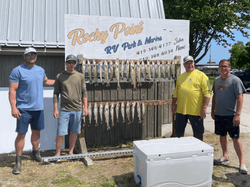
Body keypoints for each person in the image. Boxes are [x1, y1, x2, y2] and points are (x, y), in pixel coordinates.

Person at [9, 47, 55, 174]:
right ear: (24, 56)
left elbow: (46, 81)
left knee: (36, 133)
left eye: (34, 54)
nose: (31, 56)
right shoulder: (17, 70)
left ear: (37, 56)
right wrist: (13, 107)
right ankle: (18, 162)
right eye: (29, 54)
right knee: (21, 134)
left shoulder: (40, 70)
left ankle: (36, 154)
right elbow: (12, 90)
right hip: (23, 110)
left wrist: (62, 81)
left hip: (38, 109)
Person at [211, 59, 247, 174]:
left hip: (231, 115)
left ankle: (242, 163)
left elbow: (240, 97)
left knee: (235, 138)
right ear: (219, 68)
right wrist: (212, 110)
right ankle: (225, 156)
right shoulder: (216, 81)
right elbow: (215, 96)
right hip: (219, 114)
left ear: (230, 67)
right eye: (221, 66)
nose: (223, 68)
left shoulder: (235, 80)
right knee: (222, 135)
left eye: (225, 66)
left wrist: (237, 114)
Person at [53, 54, 88, 158]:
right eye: (69, 62)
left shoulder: (80, 76)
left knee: (74, 132)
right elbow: (56, 93)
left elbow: (84, 93)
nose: (71, 64)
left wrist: (85, 107)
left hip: (78, 109)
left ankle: (71, 153)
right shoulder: (59, 76)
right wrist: (55, 109)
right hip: (64, 110)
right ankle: (57, 155)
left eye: (73, 62)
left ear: (76, 64)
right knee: (60, 133)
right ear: (65, 63)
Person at [172, 55, 211, 141]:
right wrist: (173, 105)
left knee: (198, 134)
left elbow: (207, 92)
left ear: (194, 63)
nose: (190, 65)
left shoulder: (202, 75)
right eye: (187, 63)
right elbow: (176, 92)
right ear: (184, 65)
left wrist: (204, 107)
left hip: (196, 111)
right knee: (178, 133)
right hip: (181, 110)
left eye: (191, 62)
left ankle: (199, 150)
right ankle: (180, 150)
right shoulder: (180, 77)